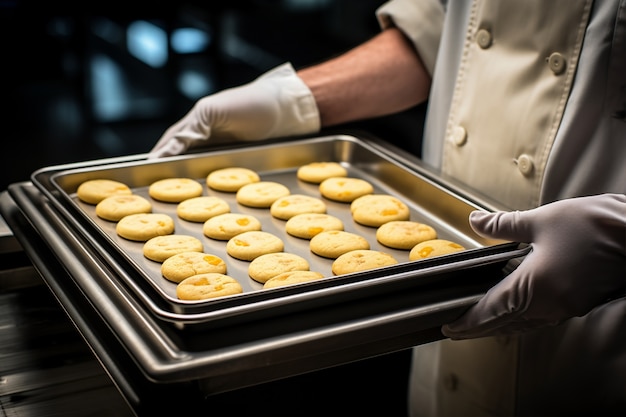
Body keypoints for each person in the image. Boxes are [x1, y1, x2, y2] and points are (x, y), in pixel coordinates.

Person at [150, 0, 626, 415]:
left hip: (597, 337)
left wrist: (620, 234)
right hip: (441, 294)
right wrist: (292, 98)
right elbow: (440, 33)